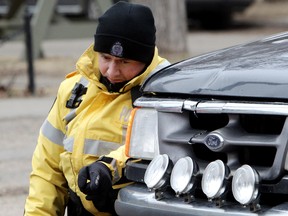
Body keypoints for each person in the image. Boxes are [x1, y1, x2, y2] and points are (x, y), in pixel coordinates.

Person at [24, 1, 170, 216]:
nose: (112, 71)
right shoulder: (74, 90)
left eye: (124, 61)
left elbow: (163, 150)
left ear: (146, 59)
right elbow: (47, 170)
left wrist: (110, 167)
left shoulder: (164, 93)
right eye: (105, 58)